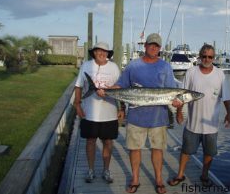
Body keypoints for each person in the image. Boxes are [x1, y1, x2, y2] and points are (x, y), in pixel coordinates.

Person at [98, 33, 181, 194]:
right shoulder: (133, 66)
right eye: (151, 44)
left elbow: (173, 92)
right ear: (145, 46)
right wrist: (104, 91)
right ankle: (135, 179)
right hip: (136, 117)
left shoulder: (165, 66)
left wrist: (178, 104)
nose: (153, 48)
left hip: (159, 118)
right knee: (134, 149)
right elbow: (121, 85)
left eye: (156, 46)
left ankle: (158, 179)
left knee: (158, 149)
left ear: (160, 48)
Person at [168, 44, 230, 187]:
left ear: (213, 58)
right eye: (204, 56)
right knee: (186, 151)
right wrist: (179, 112)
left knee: (209, 153)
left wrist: (229, 114)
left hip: (211, 125)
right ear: (199, 56)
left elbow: (226, 97)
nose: (207, 59)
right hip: (192, 124)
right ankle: (180, 175)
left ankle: (204, 175)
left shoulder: (220, 74)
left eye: (210, 56)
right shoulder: (191, 72)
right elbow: (182, 95)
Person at [74, 42, 124, 184]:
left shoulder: (114, 67)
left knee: (108, 142)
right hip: (89, 113)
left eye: (105, 51)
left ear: (108, 54)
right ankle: (90, 170)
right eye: (98, 51)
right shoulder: (86, 66)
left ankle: (106, 170)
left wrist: (121, 108)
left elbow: (120, 89)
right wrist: (77, 105)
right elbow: (78, 86)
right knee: (90, 141)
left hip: (109, 113)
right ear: (94, 52)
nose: (102, 53)